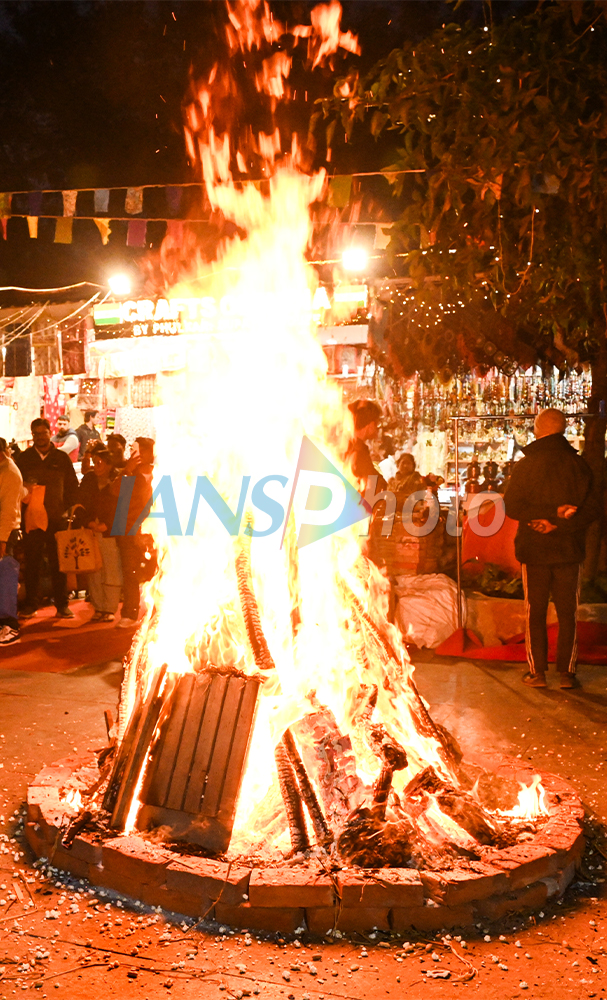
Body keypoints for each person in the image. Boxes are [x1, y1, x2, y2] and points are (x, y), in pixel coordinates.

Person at [504, 408, 602, 690]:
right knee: (568, 612)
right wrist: (558, 522)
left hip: (533, 549)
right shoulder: (579, 465)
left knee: (534, 611)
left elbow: (512, 506)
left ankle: (537, 672)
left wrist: (545, 518)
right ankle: (567, 673)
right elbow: (593, 509)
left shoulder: (526, 466)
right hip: (569, 549)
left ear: (538, 428)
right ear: (563, 430)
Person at [15, 417, 79, 618]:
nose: (40, 437)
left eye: (44, 433)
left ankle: (62, 604)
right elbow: (16, 488)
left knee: (59, 563)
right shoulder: (24, 459)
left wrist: (66, 510)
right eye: (36, 434)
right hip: (32, 521)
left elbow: (72, 487)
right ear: (32, 435)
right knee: (32, 563)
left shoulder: (61, 458)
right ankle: (31, 604)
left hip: (56, 520)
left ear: (50, 433)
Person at [112, 436, 154, 628]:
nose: (135, 454)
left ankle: (159, 614)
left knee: (157, 572)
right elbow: (115, 492)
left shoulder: (160, 472)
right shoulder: (129, 473)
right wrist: (127, 471)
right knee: (130, 573)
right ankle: (130, 613)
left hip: (154, 531)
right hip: (128, 530)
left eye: (139, 451)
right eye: (133, 450)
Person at [75, 449, 121, 623]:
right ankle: (98, 606)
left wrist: (108, 524)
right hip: (91, 530)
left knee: (111, 569)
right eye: (95, 462)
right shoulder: (89, 480)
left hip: (110, 532)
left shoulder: (117, 479)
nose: (96, 466)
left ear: (109, 464)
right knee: (93, 569)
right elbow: (80, 502)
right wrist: (88, 522)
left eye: (100, 462)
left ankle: (109, 607)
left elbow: (122, 506)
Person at [0, 438, 25, 644]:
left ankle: (9, 624)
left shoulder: (9, 472)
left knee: (6, 578)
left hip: (6, 533)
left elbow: (9, 510)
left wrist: (2, 539)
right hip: (4, 532)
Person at [346, 399, 386, 491]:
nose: (378, 429)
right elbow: (372, 483)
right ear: (371, 425)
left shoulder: (349, 444)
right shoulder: (358, 451)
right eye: (377, 424)